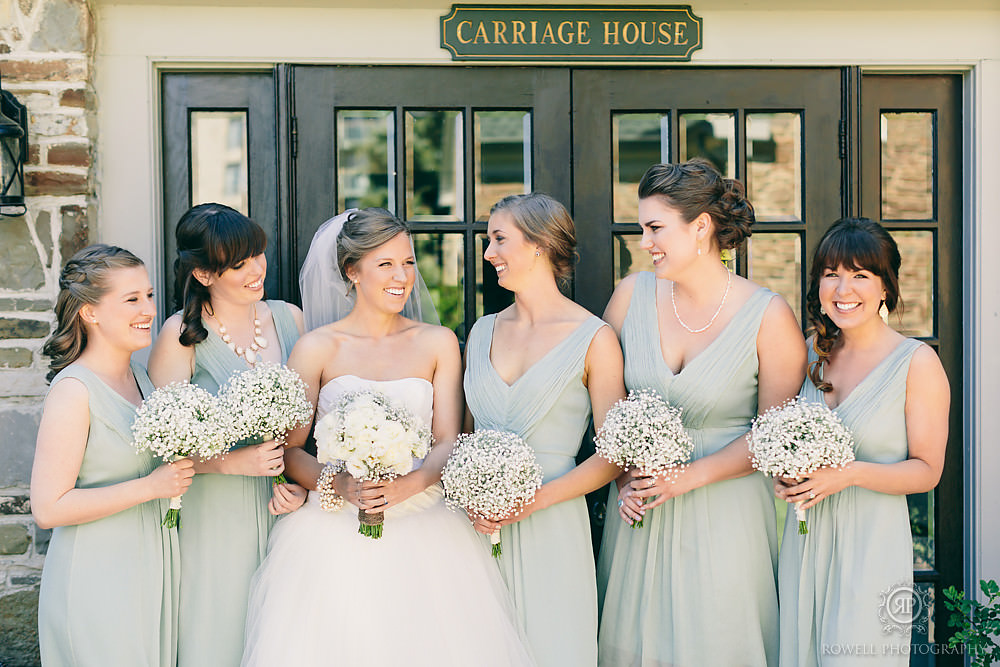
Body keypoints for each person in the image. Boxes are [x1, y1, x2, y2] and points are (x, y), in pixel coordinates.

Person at [241, 208, 534, 666]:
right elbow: (292, 450)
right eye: (385, 265)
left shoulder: (437, 343)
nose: (402, 277)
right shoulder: (317, 347)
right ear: (351, 271)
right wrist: (339, 484)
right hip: (331, 534)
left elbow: (447, 441)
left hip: (426, 529)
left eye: (409, 263)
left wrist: (408, 487)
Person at [596, 159, 806, 666]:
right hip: (640, 512)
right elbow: (606, 406)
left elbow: (772, 434)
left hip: (726, 514)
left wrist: (683, 479)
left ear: (701, 228)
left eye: (654, 228)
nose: (644, 242)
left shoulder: (768, 315)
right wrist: (626, 479)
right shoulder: (630, 296)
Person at [775, 217, 949, 666]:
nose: (842, 288)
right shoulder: (811, 351)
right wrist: (786, 471)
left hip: (872, 541)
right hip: (805, 537)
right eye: (831, 274)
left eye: (860, 275)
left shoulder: (917, 362)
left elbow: (927, 471)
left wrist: (847, 475)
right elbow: (783, 433)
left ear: (886, 287)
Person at [463, 193, 626, 667]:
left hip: (553, 524)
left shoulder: (594, 337)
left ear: (539, 245)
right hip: (476, 527)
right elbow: (465, 441)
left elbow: (613, 454)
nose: (489, 252)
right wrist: (472, 500)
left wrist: (533, 502)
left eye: (499, 239)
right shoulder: (481, 332)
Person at [147, 203, 305, 666]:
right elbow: (158, 447)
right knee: (220, 631)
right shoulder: (181, 336)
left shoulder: (290, 319)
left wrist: (297, 479)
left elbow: (310, 428)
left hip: (288, 509)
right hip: (214, 514)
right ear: (202, 274)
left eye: (258, 254)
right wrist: (233, 462)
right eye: (239, 264)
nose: (257, 270)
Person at [32, 244, 195, 666]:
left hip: (149, 571)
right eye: (132, 299)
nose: (148, 309)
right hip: (97, 578)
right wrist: (150, 487)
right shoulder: (74, 391)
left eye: (149, 295)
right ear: (90, 312)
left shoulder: (142, 377)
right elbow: (48, 507)